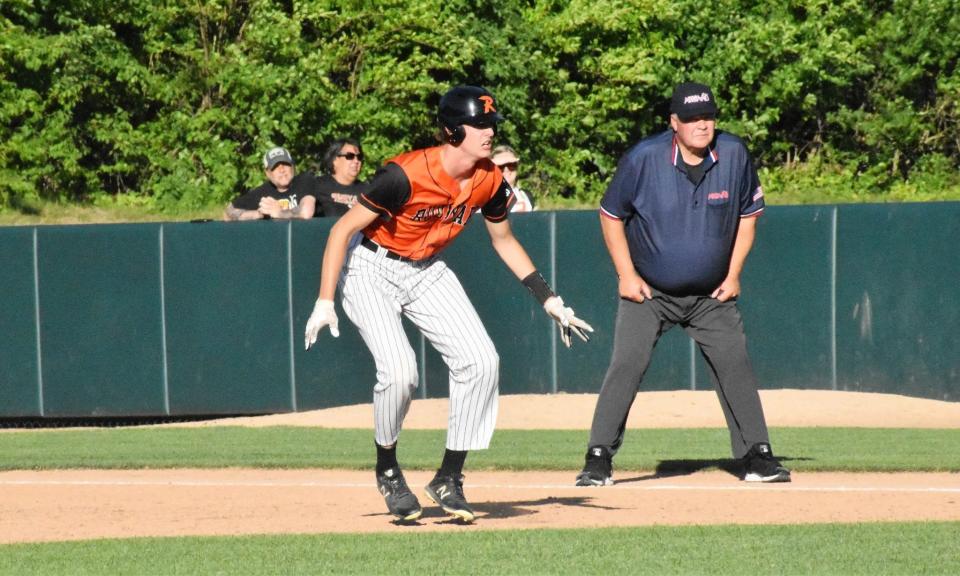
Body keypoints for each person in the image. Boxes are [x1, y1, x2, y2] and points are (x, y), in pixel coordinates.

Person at [304, 85, 593, 523]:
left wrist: (548, 297)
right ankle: (387, 467)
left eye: (491, 124)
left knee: (482, 362)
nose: (488, 132)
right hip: (371, 269)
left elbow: (504, 239)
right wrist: (326, 300)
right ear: (452, 130)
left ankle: (449, 477)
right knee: (401, 372)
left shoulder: (489, 180)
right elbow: (340, 232)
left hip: (426, 269)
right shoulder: (402, 174)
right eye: (479, 124)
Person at [575, 81, 791, 487]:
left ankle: (756, 455)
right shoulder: (644, 158)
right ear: (674, 122)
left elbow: (748, 215)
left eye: (707, 116)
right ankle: (598, 457)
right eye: (691, 118)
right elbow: (610, 214)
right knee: (627, 365)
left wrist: (733, 274)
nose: (701, 124)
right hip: (650, 293)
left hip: (711, 295)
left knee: (736, 366)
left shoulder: (733, 154)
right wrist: (626, 275)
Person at [223, 147, 318, 221]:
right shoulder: (263, 192)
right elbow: (228, 213)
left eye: (285, 164)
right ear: (267, 173)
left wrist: (279, 213)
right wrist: (258, 214)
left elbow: (306, 213)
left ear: (292, 166)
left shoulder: (305, 181)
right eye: (275, 167)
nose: (282, 170)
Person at [315, 138, 364, 218]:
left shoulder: (367, 191)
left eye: (359, 157)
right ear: (334, 160)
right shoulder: (317, 185)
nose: (356, 161)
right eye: (350, 156)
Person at [491, 144, 535, 212]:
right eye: (500, 166)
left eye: (511, 165)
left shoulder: (526, 196)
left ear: (517, 167)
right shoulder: (483, 199)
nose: (506, 170)